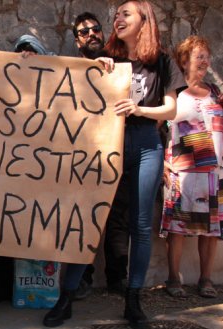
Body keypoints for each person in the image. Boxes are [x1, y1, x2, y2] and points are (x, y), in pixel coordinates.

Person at [43, 1, 185, 329]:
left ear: (143, 21)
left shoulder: (163, 61)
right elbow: (68, 87)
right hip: (107, 142)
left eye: (125, 14)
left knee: (140, 225)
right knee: (90, 219)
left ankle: (133, 300)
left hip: (147, 142)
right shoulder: (106, 57)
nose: (117, 19)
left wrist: (138, 109)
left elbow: (170, 109)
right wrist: (96, 68)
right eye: (117, 15)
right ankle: (66, 297)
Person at [161, 35, 223, 298]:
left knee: (212, 229)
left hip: (215, 171)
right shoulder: (174, 94)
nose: (205, 61)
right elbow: (158, 129)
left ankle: (206, 279)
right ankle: (173, 278)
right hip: (182, 170)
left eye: (206, 56)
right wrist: (162, 164)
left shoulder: (215, 91)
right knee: (177, 229)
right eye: (199, 56)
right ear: (184, 60)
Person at [72, 11, 130, 299]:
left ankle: (118, 278)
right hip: (80, 159)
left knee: (118, 217)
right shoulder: (67, 69)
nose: (91, 34)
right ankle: (82, 278)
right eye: (84, 31)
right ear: (76, 40)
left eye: (95, 29)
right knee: (82, 219)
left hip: (115, 152)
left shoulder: (119, 68)